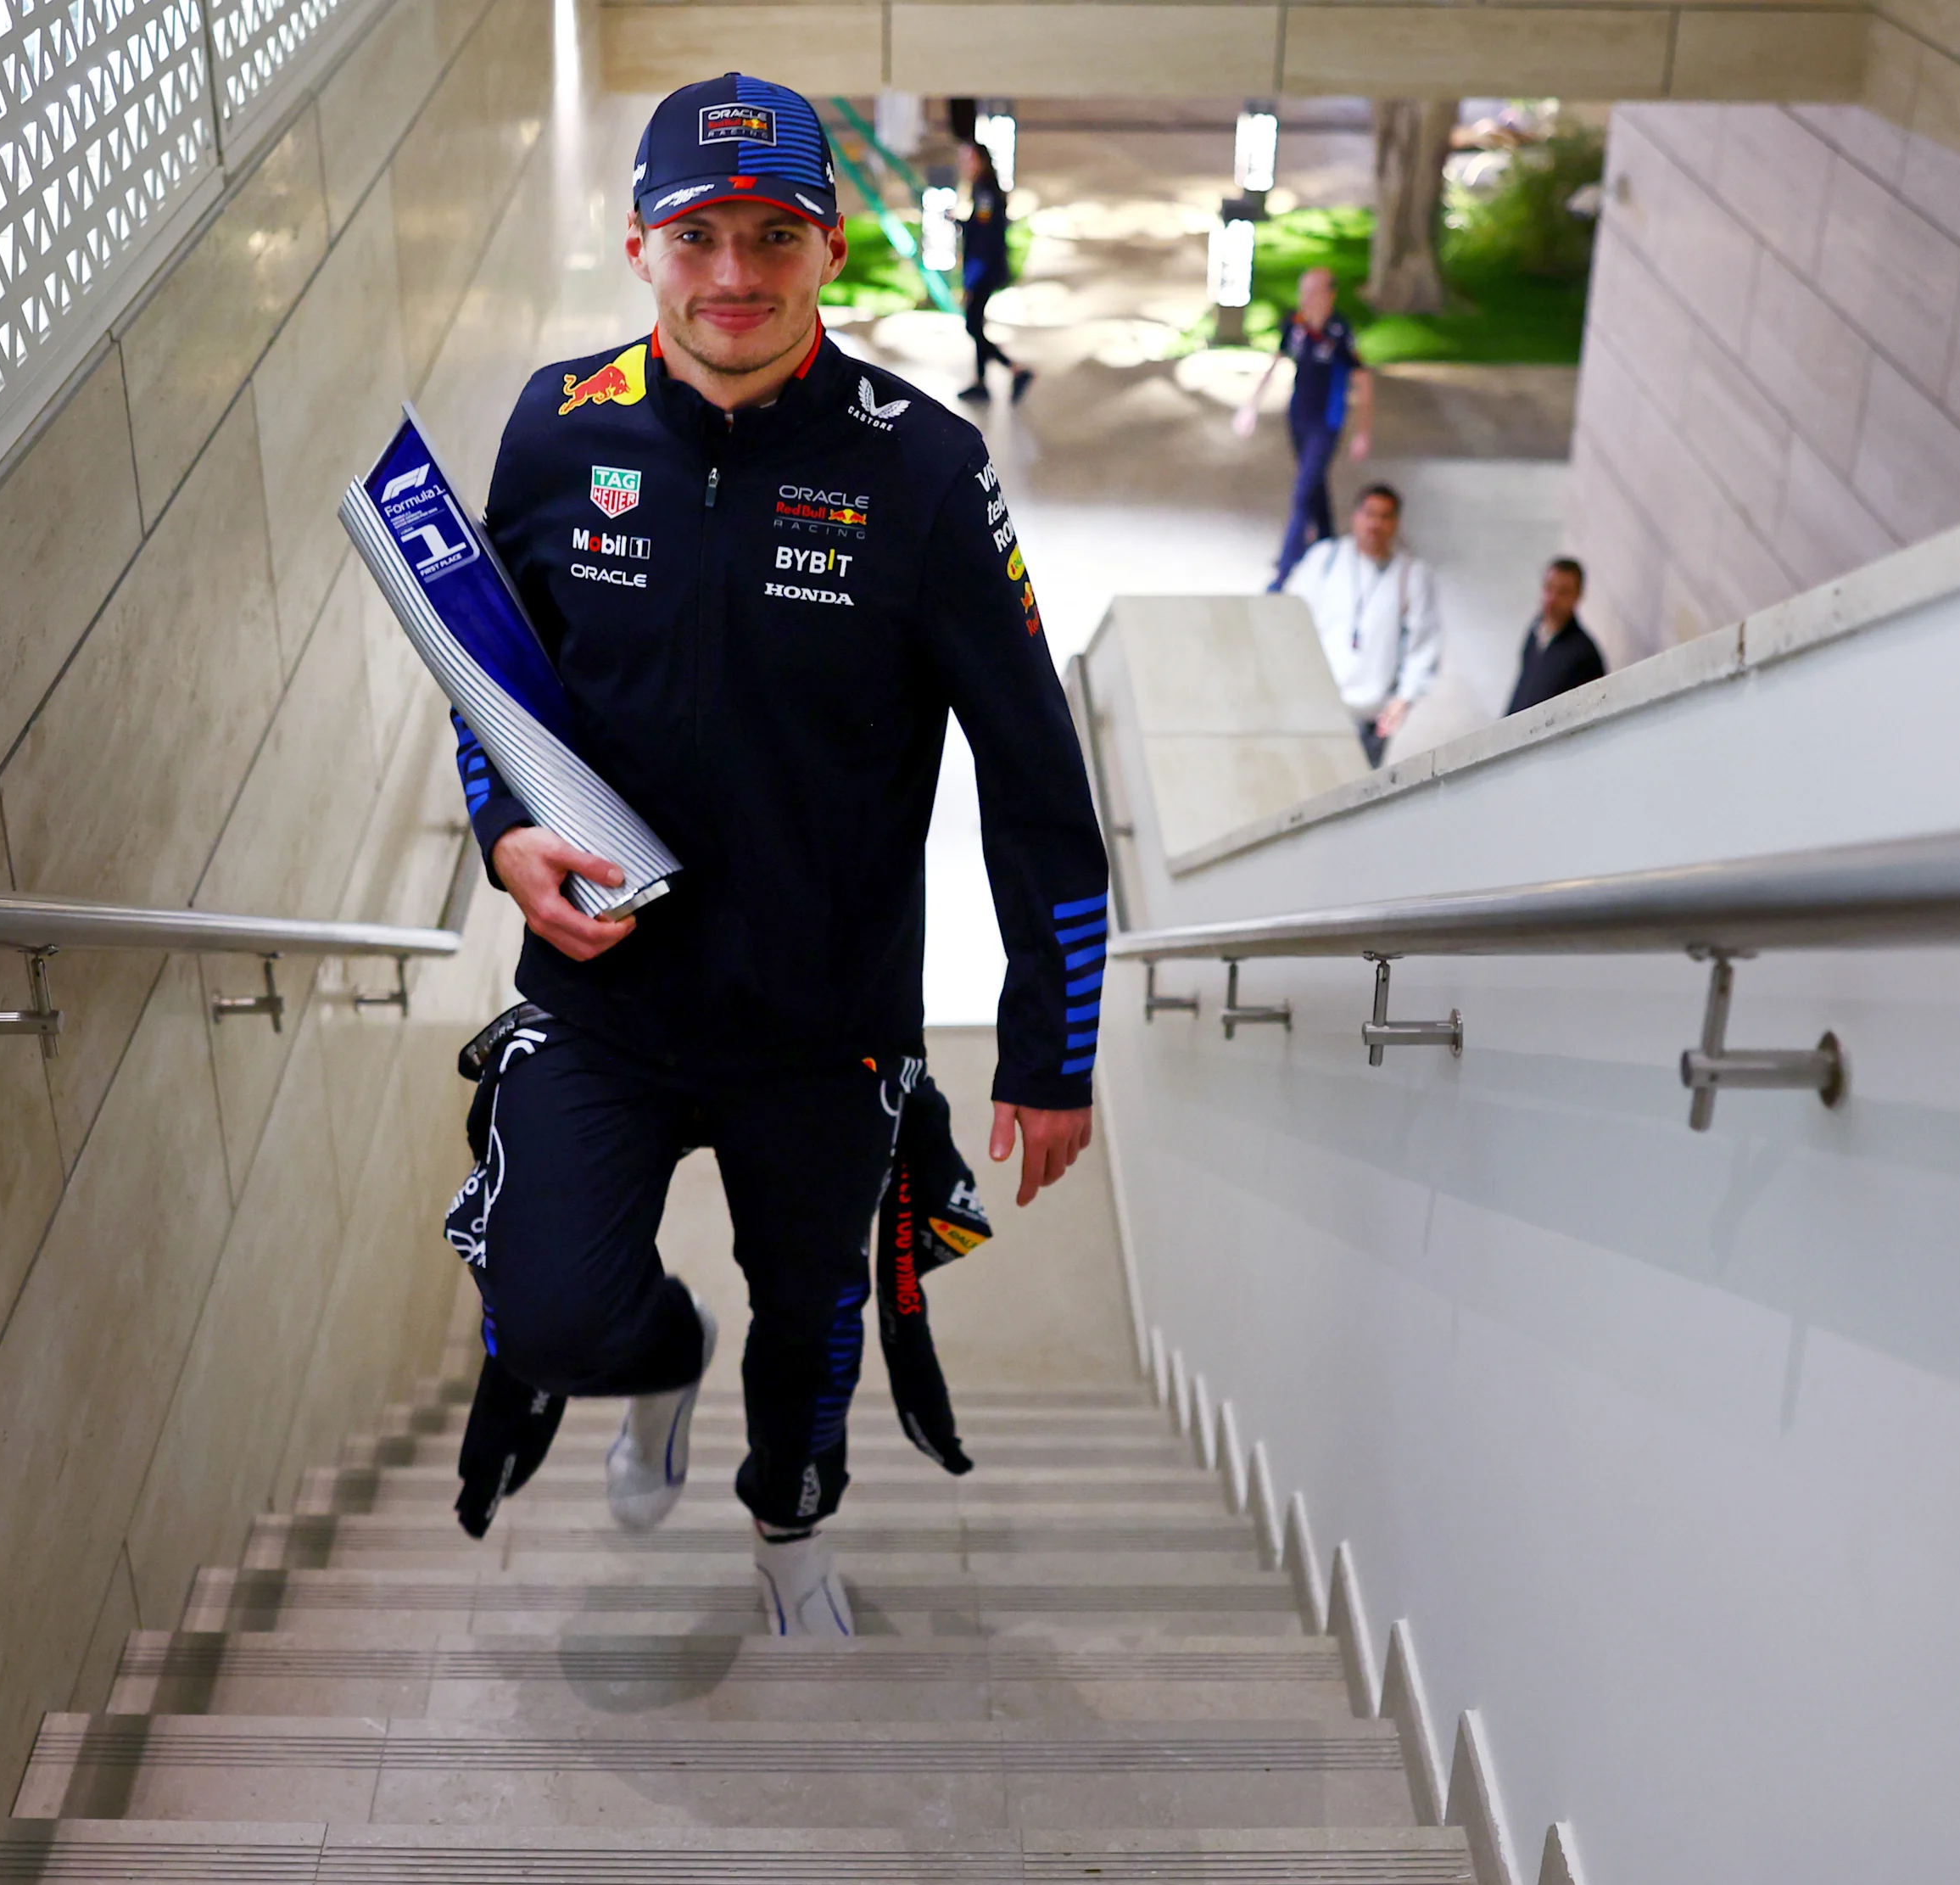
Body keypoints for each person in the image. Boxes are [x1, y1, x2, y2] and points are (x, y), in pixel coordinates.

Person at [444, 72, 1108, 1638]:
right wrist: (504, 836)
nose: (731, 274)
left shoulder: (926, 476)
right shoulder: (554, 430)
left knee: (811, 1320)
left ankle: (788, 1539)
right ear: (637, 247)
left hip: (825, 1028)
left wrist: (1049, 1053)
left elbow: (1036, 782)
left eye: (772, 236)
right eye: (697, 236)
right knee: (547, 1308)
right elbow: (493, 690)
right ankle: (652, 1367)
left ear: (833, 251)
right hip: (604, 998)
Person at [1232, 266, 1374, 591]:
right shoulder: (1294, 326)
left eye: (1313, 292)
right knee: (1314, 487)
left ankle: (1285, 568)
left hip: (1328, 422)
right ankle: (1327, 543)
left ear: (1330, 295)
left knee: (1302, 491)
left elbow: (1363, 380)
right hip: (1298, 418)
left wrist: (1362, 431)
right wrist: (1250, 407)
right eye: (1303, 292)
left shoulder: (1340, 332)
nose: (1305, 299)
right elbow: (1275, 361)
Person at [1283, 483, 1440, 767]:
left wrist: (1405, 699)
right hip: (1318, 707)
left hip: (1370, 717)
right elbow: (1289, 618)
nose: (1375, 524)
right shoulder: (1326, 560)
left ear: (1396, 524)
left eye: (1385, 516)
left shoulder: (1411, 575)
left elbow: (1424, 642)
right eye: (1370, 514)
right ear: (1356, 517)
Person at [954, 142, 1033, 405]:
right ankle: (981, 382)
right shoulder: (986, 189)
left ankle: (1015, 369)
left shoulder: (985, 190)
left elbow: (985, 237)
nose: (964, 165)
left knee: (973, 324)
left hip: (984, 268)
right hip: (985, 267)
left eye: (968, 159)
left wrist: (972, 277)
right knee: (976, 323)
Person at [1503, 557, 1605, 715]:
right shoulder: (1535, 629)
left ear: (1577, 596)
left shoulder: (1584, 655)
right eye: (1548, 588)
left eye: (1562, 592)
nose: (1552, 599)